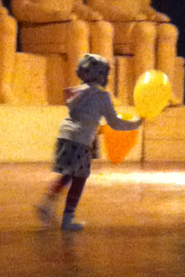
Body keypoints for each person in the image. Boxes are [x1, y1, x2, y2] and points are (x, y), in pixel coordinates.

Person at [36, 53, 142, 231]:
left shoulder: (75, 92)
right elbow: (114, 123)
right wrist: (135, 123)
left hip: (65, 137)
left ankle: (47, 203)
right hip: (81, 141)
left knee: (67, 175)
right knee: (79, 181)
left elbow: (85, 115)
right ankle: (67, 219)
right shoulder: (102, 96)